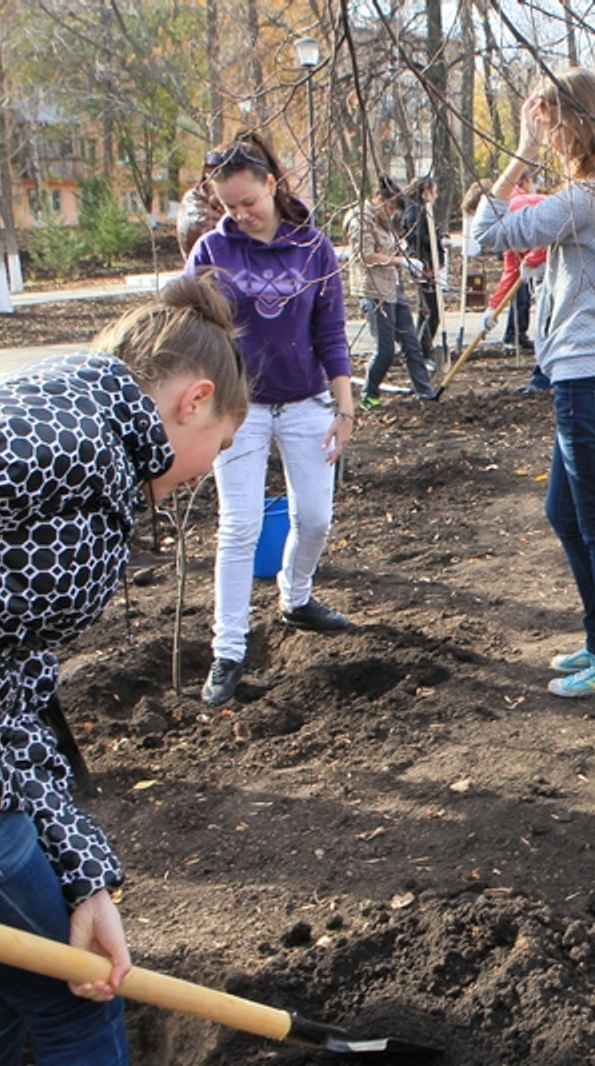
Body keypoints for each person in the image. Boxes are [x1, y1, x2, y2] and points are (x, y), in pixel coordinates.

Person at [0, 275, 247, 1066]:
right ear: (192, 401)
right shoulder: (74, 446)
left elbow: (14, 684)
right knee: (77, 1002)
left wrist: (85, 875)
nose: (206, 471)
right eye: (224, 445)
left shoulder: (64, 418)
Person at [471, 67, 595, 699]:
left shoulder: (586, 200)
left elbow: (486, 234)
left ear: (572, 121)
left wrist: (520, 156)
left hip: (589, 381)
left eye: (548, 123)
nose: (545, 137)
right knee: (565, 510)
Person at [186, 130, 354, 707]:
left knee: (314, 520)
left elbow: (330, 333)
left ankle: (296, 598)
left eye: (248, 203)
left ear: (273, 185)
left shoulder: (313, 249)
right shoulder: (213, 251)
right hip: (241, 409)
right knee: (239, 527)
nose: (240, 215)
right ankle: (228, 650)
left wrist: (344, 406)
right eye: (228, 206)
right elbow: (190, 332)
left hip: (307, 402)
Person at [346, 176, 440, 407]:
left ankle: (425, 393)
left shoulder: (384, 222)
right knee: (385, 351)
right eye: (389, 208)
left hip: (393, 287)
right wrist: (400, 261)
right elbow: (365, 256)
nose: (391, 214)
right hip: (375, 291)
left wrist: (408, 259)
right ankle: (369, 395)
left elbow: (391, 247)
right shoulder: (362, 220)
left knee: (412, 345)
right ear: (378, 199)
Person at [464, 173, 550, 393]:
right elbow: (511, 268)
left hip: (569, 261)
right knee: (545, 321)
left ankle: (547, 379)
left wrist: (533, 260)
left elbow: (554, 229)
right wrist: (493, 307)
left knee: (550, 319)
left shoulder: (521, 206)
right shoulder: (504, 224)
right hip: (547, 268)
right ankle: (544, 378)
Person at [400, 176, 445, 363]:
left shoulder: (425, 210)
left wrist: (442, 237)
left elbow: (432, 231)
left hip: (429, 263)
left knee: (429, 310)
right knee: (432, 311)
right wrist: (433, 243)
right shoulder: (415, 210)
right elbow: (415, 237)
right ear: (425, 191)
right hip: (423, 265)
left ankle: (422, 348)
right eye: (434, 191)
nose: (436, 195)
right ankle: (421, 351)